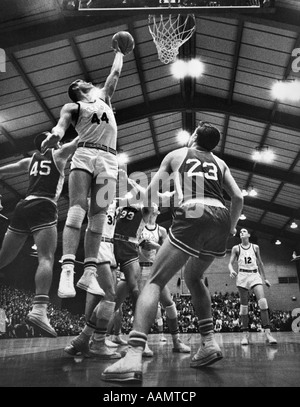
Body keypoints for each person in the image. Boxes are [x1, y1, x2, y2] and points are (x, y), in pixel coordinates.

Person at [101, 120, 244, 382]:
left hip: (194, 212)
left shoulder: (177, 155)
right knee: (194, 278)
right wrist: (232, 228)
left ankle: (133, 354)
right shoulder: (220, 163)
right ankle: (209, 342)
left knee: (154, 282)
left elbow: (149, 197)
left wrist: (131, 187)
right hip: (222, 217)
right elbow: (238, 197)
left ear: (195, 138)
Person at [46, 46, 125, 299]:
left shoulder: (104, 98)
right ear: (78, 88)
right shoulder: (72, 106)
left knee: (99, 217)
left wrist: (120, 52)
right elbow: (60, 128)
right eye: (83, 81)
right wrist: (53, 137)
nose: (88, 80)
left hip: (109, 160)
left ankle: (88, 273)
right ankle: (67, 271)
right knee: (77, 210)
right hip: (86, 153)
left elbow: (114, 75)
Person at [0, 132, 79, 337]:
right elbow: (84, 137)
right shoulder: (59, 154)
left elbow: (5, 171)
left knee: (3, 258)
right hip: (43, 205)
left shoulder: (30, 160)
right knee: (46, 258)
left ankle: (40, 310)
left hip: (23, 206)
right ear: (50, 141)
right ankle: (39, 310)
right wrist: (104, 112)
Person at [138, 204, 190, 353]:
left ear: (157, 212)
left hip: (155, 269)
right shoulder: (139, 227)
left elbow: (168, 251)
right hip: (140, 269)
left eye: (154, 207)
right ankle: (143, 343)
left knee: (169, 303)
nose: (152, 208)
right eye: (150, 207)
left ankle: (176, 341)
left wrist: (155, 246)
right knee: (144, 307)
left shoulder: (161, 230)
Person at [228, 228, 277, 346]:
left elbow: (260, 263)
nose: (241, 232)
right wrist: (231, 270)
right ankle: (245, 334)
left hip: (255, 274)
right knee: (244, 307)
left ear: (249, 234)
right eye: (240, 232)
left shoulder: (255, 247)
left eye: (244, 231)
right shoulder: (236, 248)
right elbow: (230, 263)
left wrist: (265, 278)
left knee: (263, 303)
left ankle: (268, 334)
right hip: (242, 276)